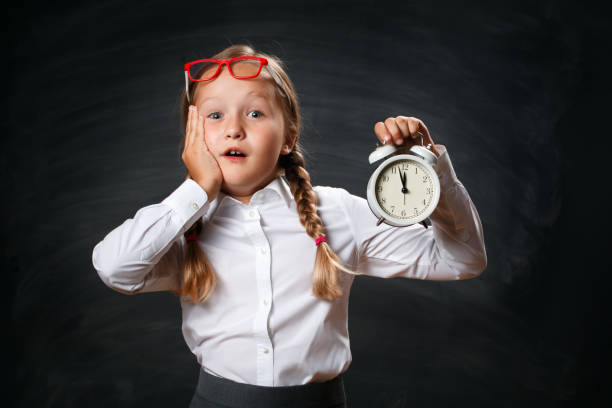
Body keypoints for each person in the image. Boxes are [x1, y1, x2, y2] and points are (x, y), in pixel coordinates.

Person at [91, 43, 487, 408]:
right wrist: (195, 190)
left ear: (288, 137)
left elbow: (461, 260)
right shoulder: (180, 227)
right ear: (193, 139)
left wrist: (427, 168)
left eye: (255, 113)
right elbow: (115, 267)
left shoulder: (339, 213)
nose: (234, 128)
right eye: (214, 115)